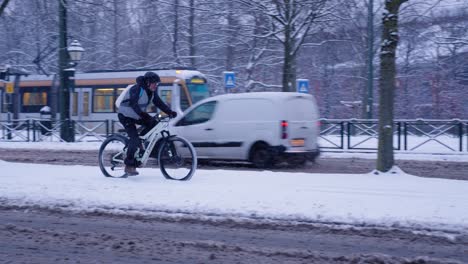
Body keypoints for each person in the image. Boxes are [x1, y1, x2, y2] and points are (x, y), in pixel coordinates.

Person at [117, 71, 177, 176]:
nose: (156, 85)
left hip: (137, 115)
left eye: (157, 84)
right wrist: (143, 114)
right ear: (148, 82)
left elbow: (160, 104)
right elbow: (133, 104)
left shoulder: (152, 93)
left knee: (154, 123)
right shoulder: (137, 89)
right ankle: (129, 165)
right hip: (125, 116)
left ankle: (140, 142)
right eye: (154, 83)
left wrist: (170, 112)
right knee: (134, 139)